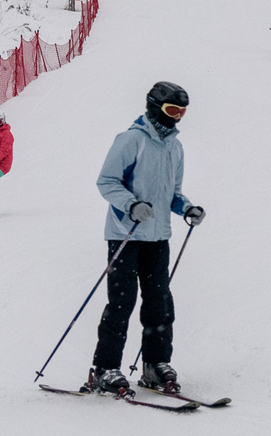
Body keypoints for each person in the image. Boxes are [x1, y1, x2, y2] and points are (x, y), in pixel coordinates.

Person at [89, 81, 205, 395]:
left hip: (158, 236)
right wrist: (132, 204)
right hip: (125, 234)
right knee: (122, 302)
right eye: (172, 110)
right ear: (155, 107)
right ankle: (105, 368)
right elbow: (107, 182)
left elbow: (172, 194)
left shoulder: (174, 147)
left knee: (159, 303)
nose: (177, 118)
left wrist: (187, 208)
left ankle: (155, 365)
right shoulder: (131, 140)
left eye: (182, 112)